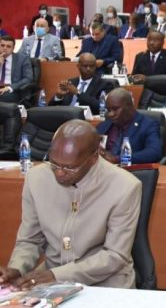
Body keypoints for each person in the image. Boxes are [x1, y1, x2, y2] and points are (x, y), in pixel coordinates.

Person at [0, 120, 140, 289]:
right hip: (49, 278)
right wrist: (17, 268)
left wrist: (57, 275)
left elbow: (115, 256)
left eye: (69, 167)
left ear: (93, 158)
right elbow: (30, 240)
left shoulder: (125, 186)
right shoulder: (36, 178)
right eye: (54, 163)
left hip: (105, 282)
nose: (59, 172)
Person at [95, 88, 163, 164]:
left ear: (130, 106)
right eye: (109, 110)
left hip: (128, 168)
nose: (111, 114)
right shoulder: (104, 125)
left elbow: (154, 152)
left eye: (115, 109)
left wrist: (119, 159)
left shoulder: (147, 125)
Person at [49, 53, 114, 115]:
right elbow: (50, 108)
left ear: (96, 67)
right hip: (66, 117)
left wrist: (77, 93)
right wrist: (58, 96)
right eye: (85, 66)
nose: (88, 69)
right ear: (78, 66)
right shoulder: (70, 82)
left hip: (86, 120)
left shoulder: (104, 84)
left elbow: (102, 106)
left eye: (92, 66)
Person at [0, 36, 35, 104]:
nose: (5, 48)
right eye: (2, 45)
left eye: (8, 46)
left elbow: (28, 78)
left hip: (12, 90)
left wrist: (10, 88)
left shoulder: (22, 59)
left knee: (3, 97)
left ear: (13, 48)